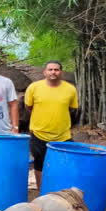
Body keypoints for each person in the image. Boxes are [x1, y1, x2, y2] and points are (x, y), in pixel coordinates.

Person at [24, 60, 78, 190]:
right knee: (39, 164)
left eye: (56, 69)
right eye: (50, 69)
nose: (53, 72)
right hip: (39, 133)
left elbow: (72, 108)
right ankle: (42, 193)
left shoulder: (70, 89)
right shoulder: (34, 87)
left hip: (63, 135)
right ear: (44, 72)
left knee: (66, 164)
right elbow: (28, 106)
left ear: (61, 72)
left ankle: (62, 192)